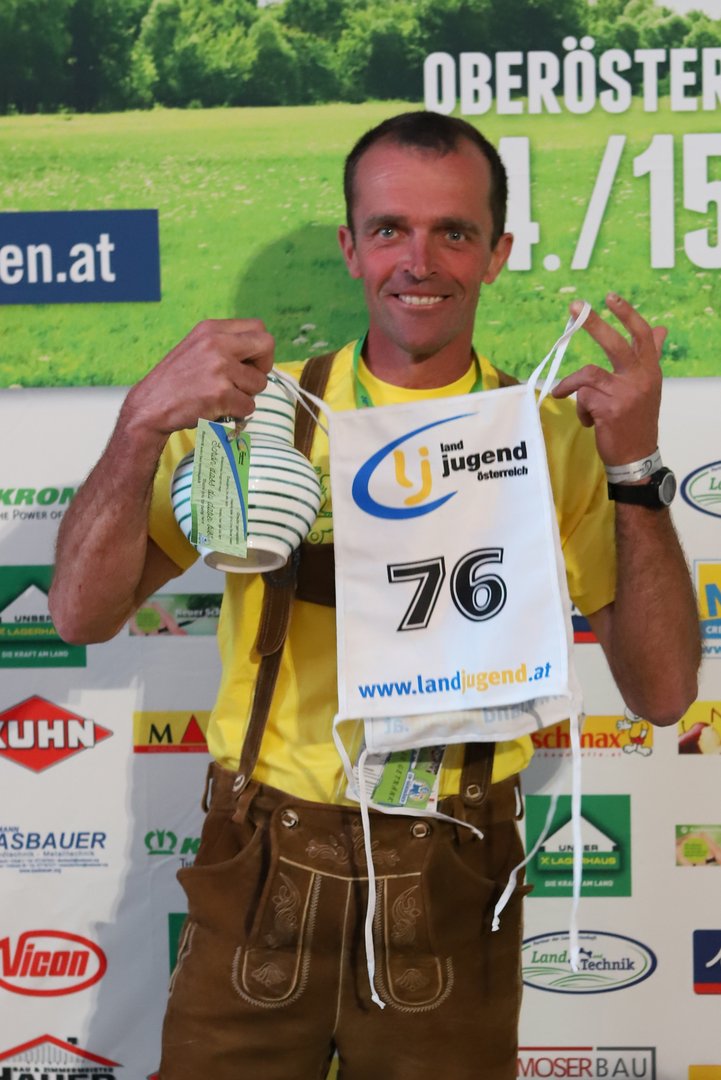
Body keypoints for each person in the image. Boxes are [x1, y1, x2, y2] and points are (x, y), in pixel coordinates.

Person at [49, 112, 700, 1079]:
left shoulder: (551, 435)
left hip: (452, 868)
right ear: (351, 248)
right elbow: (79, 613)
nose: (418, 261)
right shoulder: (259, 415)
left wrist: (635, 469)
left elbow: (663, 693)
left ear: (497, 254)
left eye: (454, 232)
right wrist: (142, 420)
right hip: (260, 862)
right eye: (390, 229)